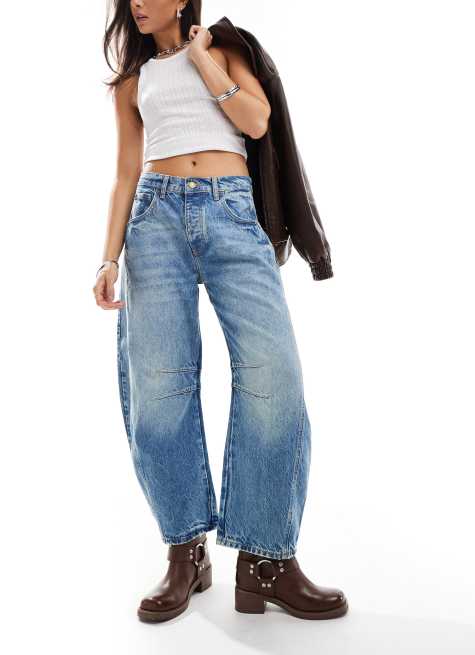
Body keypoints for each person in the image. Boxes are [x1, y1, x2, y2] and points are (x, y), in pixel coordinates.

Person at [94, 0, 348, 622]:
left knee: (273, 377)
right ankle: (186, 552)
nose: (137, 3)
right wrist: (106, 259)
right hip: (154, 220)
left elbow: (256, 122)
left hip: (232, 212)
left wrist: (203, 58)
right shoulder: (132, 82)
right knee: (159, 390)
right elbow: (125, 173)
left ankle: (266, 562)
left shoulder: (226, 48)